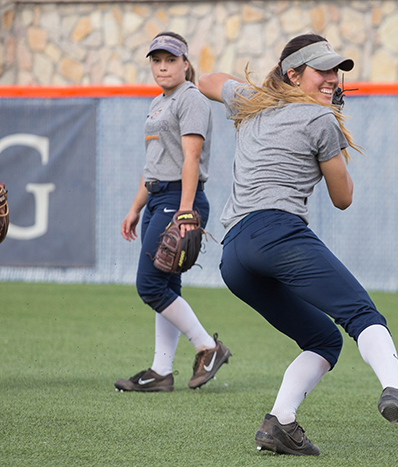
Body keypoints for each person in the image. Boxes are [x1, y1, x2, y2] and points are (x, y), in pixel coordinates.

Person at [198, 33, 398, 455]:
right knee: (361, 312)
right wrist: (331, 124)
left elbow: (207, 80)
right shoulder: (321, 120)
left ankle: (279, 424)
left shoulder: (250, 102)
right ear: (293, 73)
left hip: (234, 254)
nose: (333, 78)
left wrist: (253, 93)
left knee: (323, 340)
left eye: (336, 70)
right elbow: (343, 198)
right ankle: (397, 389)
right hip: (276, 232)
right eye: (322, 69)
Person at [115, 32, 230, 393]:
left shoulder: (191, 99)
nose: (162, 66)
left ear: (185, 63)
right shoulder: (158, 102)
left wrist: (184, 211)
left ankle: (208, 348)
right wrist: (136, 207)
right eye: (156, 60)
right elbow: (153, 165)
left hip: (181, 198)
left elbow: (191, 158)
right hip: (156, 197)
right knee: (165, 286)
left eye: (170, 60)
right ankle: (160, 372)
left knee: (149, 286)